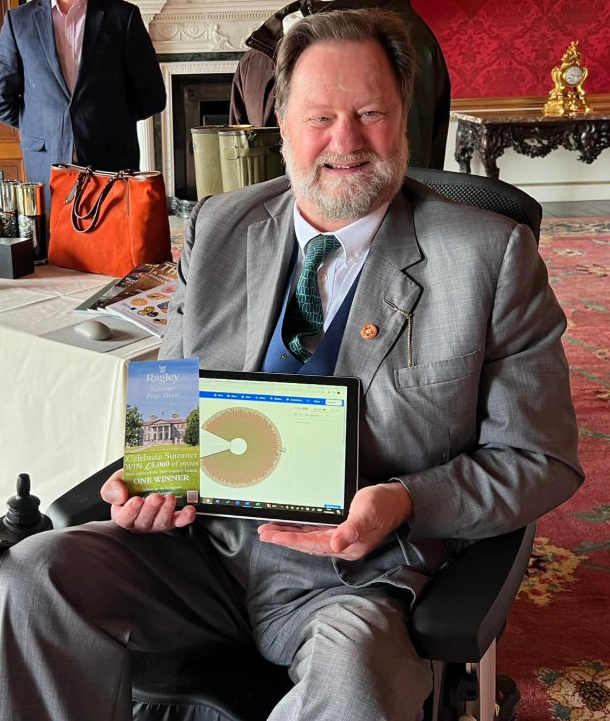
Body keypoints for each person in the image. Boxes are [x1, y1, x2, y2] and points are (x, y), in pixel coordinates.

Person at [0, 9, 583, 721]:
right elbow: (169, 415)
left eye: (371, 112)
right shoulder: (219, 227)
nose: (346, 141)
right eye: (320, 117)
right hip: (204, 551)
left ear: (404, 121)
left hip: (356, 576)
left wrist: (406, 498)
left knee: (355, 687)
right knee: (31, 577)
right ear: (282, 127)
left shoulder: (489, 257)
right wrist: (149, 476)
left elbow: (541, 455)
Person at [230, 0, 451, 169]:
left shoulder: (402, 42)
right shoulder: (258, 53)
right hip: (275, 220)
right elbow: (234, 159)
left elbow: (408, 166)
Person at [0, 0, 165, 207]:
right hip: (46, 160)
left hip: (112, 158)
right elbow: (2, 99)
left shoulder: (123, 15)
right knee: (52, 237)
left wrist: (109, 122)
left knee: (113, 237)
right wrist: (46, 126)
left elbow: (152, 95)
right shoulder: (18, 21)